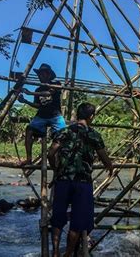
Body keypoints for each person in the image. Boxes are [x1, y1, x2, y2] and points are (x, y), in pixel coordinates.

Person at [48, 102, 113, 257]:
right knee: (78, 222)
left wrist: (57, 169)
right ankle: (68, 253)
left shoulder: (64, 132)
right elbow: (104, 158)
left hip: (63, 180)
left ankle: (56, 251)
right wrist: (110, 168)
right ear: (91, 117)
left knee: (58, 217)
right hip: (83, 182)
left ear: (77, 115)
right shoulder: (94, 135)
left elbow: (51, 153)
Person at [18, 63, 66, 164]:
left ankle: (61, 160)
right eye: (39, 74)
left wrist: (30, 93)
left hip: (55, 116)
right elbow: (37, 105)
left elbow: (49, 93)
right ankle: (29, 158)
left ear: (48, 75)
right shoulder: (38, 89)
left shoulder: (56, 83)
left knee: (63, 135)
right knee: (29, 130)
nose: (40, 76)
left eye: (42, 74)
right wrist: (25, 101)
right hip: (41, 116)